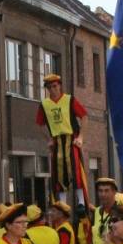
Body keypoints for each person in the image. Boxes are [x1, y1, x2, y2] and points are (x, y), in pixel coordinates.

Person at [36, 73, 89, 201]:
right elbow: (39, 124)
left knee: (75, 169)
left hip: (71, 139)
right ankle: (62, 204)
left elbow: (84, 116)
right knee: (59, 173)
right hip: (56, 142)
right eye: (49, 87)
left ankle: (81, 202)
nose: (52, 90)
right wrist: (48, 139)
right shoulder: (45, 104)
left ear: (59, 86)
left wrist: (81, 137)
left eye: (54, 86)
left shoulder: (69, 100)